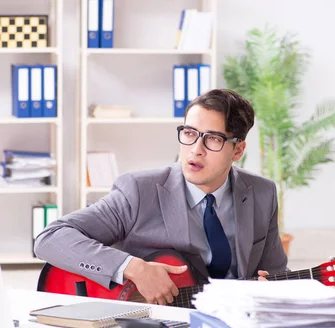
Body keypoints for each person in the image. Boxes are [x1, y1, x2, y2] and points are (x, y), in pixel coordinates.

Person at [34, 88, 288, 305]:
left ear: (238, 150)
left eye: (212, 139)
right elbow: (50, 237)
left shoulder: (262, 193)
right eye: (189, 133)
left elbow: (275, 273)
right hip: (152, 325)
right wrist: (133, 268)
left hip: (233, 318)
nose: (195, 150)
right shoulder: (139, 190)